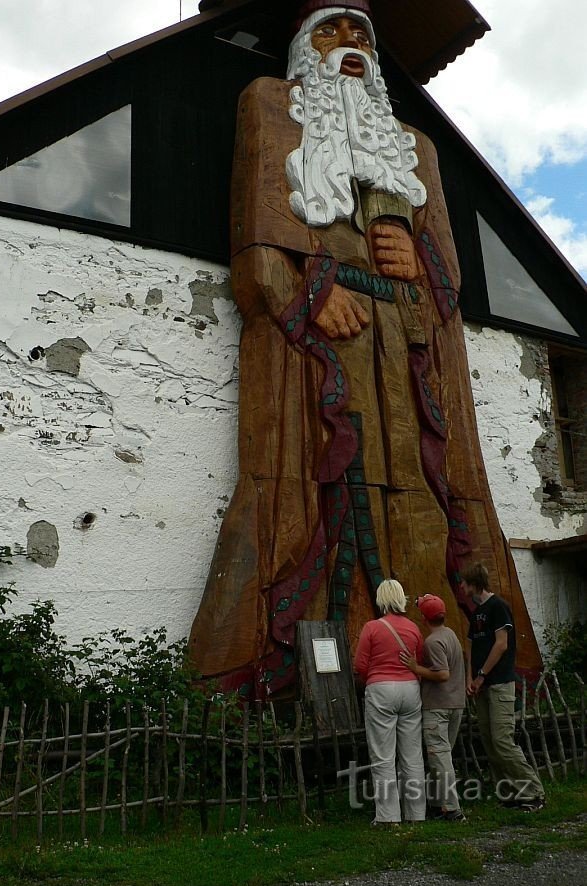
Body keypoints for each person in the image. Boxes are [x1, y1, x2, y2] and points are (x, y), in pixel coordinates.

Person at [188, 0, 541, 700]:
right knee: (318, 482)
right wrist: (309, 291)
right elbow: (257, 241)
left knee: (426, 493)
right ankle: (295, 668)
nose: (350, 42)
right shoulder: (270, 105)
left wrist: (414, 254)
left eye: (362, 33)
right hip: (322, 340)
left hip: (406, 346)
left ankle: (438, 646)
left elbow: (449, 273)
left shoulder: (414, 149)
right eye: (331, 28)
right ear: (300, 48)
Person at [462, 562, 545, 811]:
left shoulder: (498, 606)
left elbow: (501, 645)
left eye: (464, 582)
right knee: (489, 741)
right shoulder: (476, 612)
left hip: (498, 683)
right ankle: (508, 793)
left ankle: (533, 791)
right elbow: (470, 646)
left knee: (502, 740)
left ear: (474, 583)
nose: (461, 586)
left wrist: (481, 675)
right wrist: (470, 678)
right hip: (482, 685)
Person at [353, 579, 425, 825]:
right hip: (410, 689)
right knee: (412, 755)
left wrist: (372, 678)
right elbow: (419, 658)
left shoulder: (372, 628)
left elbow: (360, 665)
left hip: (381, 689)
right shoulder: (414, 628)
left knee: (383, 756)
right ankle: (417, 815)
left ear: (381, 599)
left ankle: (388, 817)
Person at [400, 593, 466, 821]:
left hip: (438, 707)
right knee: (442, 757)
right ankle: (439, 805)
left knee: (439, 758)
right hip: (455, 704)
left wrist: (415, 668)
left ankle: (453, 808)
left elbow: (443, 673)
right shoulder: (451, 635)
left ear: (424, 617)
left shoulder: (433, 641)